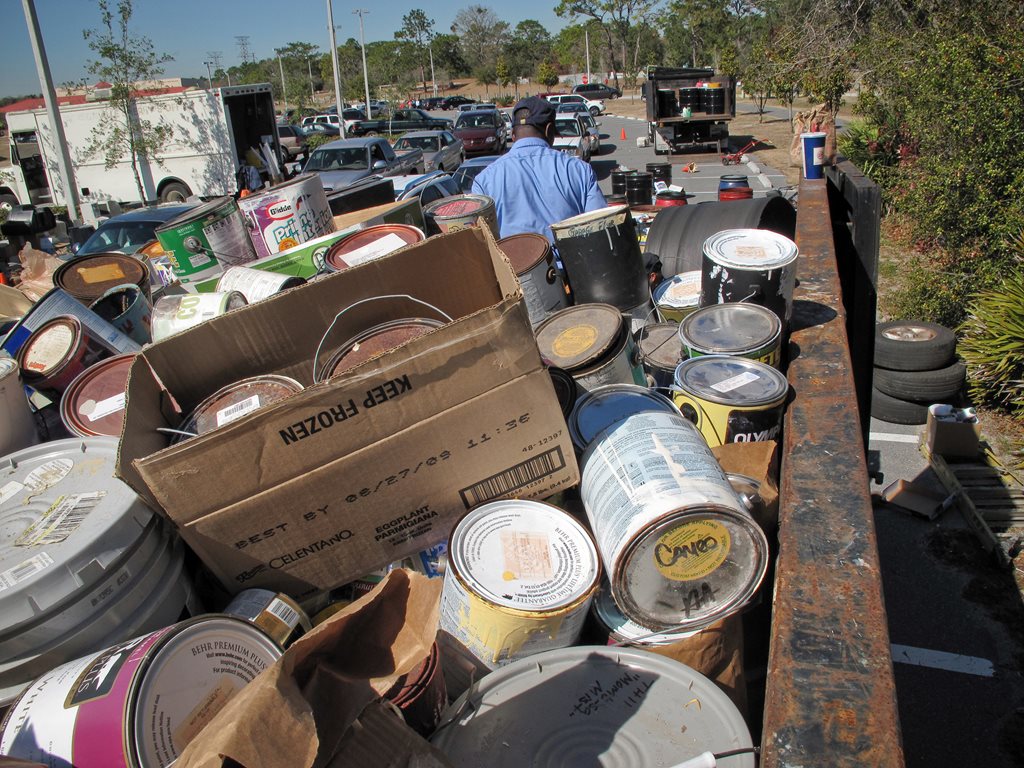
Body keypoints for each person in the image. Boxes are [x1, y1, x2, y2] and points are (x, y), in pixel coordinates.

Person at [472, 96, 605, 241]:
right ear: (549, 131)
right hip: (570, 262)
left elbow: (480, 243)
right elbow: (601, 231)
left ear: (512, 134)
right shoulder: (579, 170)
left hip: (512, 262)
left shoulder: (484, 180)